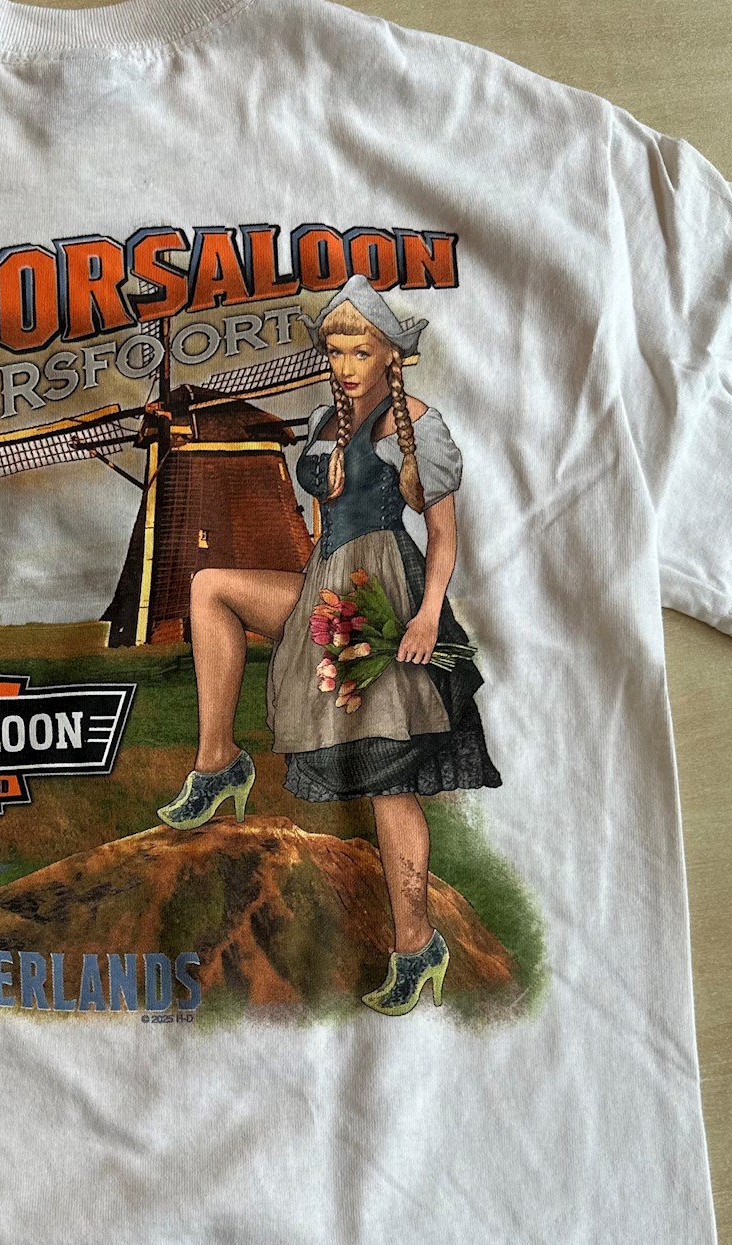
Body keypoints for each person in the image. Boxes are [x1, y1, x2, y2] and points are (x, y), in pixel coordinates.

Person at [156, 274, 502, 1015]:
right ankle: (219, 763)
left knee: (387, 780)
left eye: (360, 351)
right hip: (326, 589)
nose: (345, 365)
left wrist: (426, 617)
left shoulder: (419, 425)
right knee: (210, 587)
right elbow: (323, 526)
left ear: (389, 355)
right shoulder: (322, 424)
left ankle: (417, 946)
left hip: (385, 598)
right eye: (336, 351)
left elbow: (444, 537)